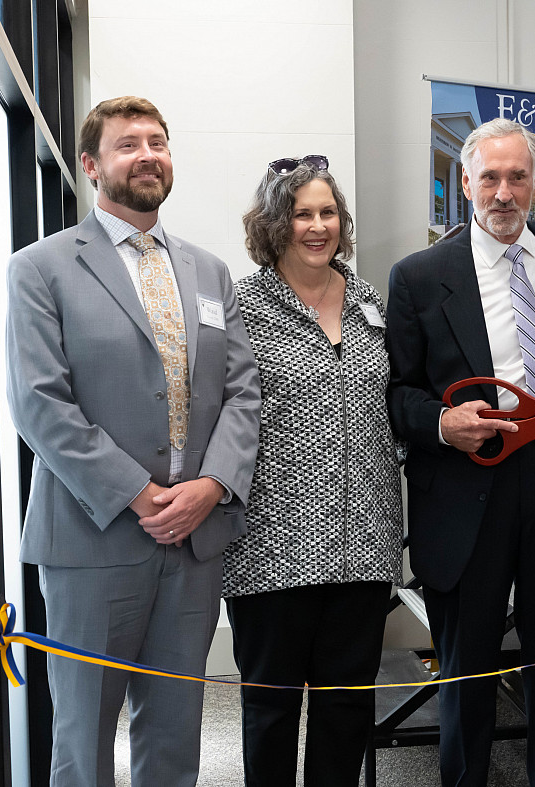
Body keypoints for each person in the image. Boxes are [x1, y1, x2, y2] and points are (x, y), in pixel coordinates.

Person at [4, 96, 261, 786]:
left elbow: (243, 392)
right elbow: (38, 402)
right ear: (91, 165)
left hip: (196, 539)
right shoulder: (41, 268)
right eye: (128, 144)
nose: (148, 154)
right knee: (83, 739)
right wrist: (140, 494)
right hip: (94, 539)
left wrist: (211, 486)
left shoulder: (209, 272)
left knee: (175, 731)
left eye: (158, 141)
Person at [386, 117, 535, 786]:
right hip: (467, 491)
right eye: (490, 177)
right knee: (467, 675)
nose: (504, 192)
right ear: (466, 181)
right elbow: (395, 393)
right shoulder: (419, 275)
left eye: (518, 176)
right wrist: (444, 422)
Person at [221, 157, 403, 786]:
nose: (318, 226)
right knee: (270, 706)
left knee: (347, 703)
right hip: (270, 544)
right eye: (303, 213)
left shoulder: (368, 301)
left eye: (329, 213)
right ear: (276, 223)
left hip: (364, 542)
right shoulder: (240, 305)